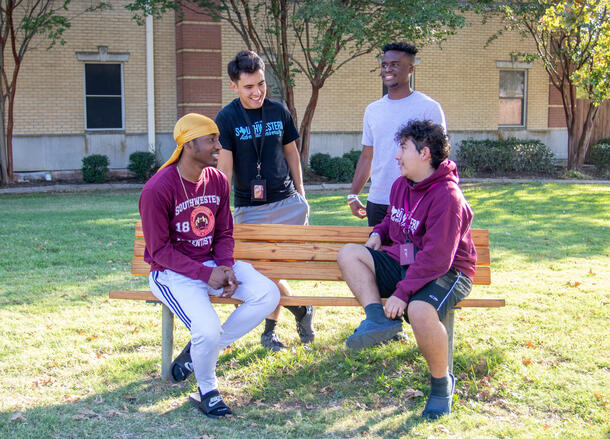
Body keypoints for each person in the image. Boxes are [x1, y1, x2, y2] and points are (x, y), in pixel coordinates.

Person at [139, 113, 280, 418]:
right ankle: (208, 389)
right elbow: (159, 250)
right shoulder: (157, 189)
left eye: (218, 138)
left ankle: (200, 351)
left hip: (212, 264)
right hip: (171, 273)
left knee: (268, 294)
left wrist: (226, 267)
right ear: (189, 145)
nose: (219, 145)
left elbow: (224, 231)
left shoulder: (216, 180)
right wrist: (207, 273)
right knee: (207, 328)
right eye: (212, 139)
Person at [337, 120, 476, 420]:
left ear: (425, 153)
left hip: (449, 271)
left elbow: (437, 257)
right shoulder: (402, 184)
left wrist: (403, 293)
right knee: (349, 253)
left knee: (419, 310)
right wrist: (378, 233)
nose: (397, 156)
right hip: (408, 263)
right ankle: (378, 321)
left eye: (403, 148)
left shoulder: (447, 197)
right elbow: (393, 219)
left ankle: (441, 385)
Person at [215, 50, 314, 352]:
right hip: (249, 208)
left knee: (275, 272)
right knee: (259, 277)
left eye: (261, 84)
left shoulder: (279, 111)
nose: (257, 92)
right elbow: (225, 169)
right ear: (234, 85)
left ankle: (269, 333)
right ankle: (301, 310)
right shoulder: (227, 118)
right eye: (249, 87)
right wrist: (222, 209)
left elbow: (292, 153)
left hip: (287, 204)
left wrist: (301, 192)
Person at [348, 42, 447, 227]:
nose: (388, 69)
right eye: (384, 65)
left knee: (413, 255)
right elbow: (367, 155)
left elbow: (439, 159)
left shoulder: (429, 108)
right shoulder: (372, 110)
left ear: (410, 69)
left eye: (394, 64)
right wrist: (353, 194)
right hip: (378, 200)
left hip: (416, 199)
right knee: (378, 254)